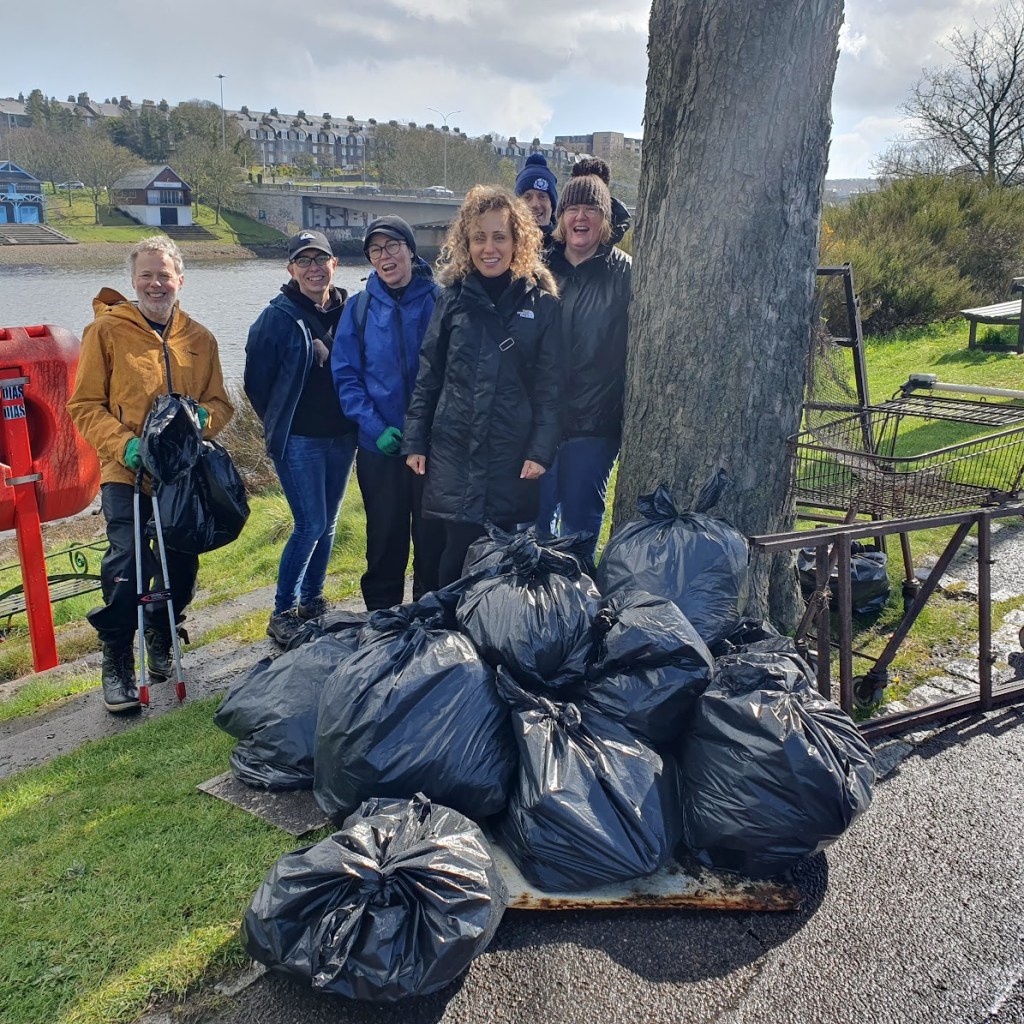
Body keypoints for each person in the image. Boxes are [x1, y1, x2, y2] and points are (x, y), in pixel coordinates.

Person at [67, 235, 233, 714]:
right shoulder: (105, 333)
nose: (156, 284)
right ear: (134, 280)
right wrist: (126, 444)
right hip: (127, 470)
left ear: (179, 279)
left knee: (182, 564)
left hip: (183, 478)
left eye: (164, 275)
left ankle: (163, 633)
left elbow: (222, 403)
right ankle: (118, 654)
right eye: (147, 275)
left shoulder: (200, 338)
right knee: (128, 562)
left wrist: (203, 420)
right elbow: (83, 405)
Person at [402, 185, 563, 587]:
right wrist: (415, 440)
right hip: (455, 451)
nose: (488, 248)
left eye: (499, 237)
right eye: (479, 238)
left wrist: (541, 451)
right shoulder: (451, 300)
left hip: (513, 455)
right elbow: (429, 375)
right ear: (466, 243)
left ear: (517, 242)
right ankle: (447, 641)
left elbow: (551, 388)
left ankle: (496, 644)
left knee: (506, 564)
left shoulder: (543, 306)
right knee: (454, 556)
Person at [245, 230, 357, 646]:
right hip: (300, 442)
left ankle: (312, 601)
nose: (313, 268)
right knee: (309, 523)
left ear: (334, 263)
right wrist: (281, 425)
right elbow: (256, 384)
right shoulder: (276, 318)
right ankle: (283, 612)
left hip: (343, 438)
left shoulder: (348, 311)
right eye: (304, 261)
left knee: (327, 523)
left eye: (320, 259)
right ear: (291, 269)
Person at [332, 216, 443, 610]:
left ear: (411, 250)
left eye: (393, 245)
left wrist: (431, 431)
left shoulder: (440, 300)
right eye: (375, 250)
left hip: (432, 448)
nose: (385, 256)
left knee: (432, 540)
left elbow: (455, 372)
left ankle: (430, 620)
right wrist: (375, 427)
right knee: (384, 539)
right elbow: (346, 376)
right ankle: (382, 621)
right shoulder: (358, 309)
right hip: (380, 449)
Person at [535, 168, 633, 561]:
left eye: (591, 208)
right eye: (571, 208)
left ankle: (578, 607)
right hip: (539, 423)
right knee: (534, 525)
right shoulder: (538, 267)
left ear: (605, 218)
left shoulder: (624, 271)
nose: (580, 217)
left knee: (580, 526)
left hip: (594, 425)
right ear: (560, 218)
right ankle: (535, 612)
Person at [514, 152, 559, 243]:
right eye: (527, 197)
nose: (535, 204)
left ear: (552, 204)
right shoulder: (507, 247)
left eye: (542, 196)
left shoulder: (568, 249)